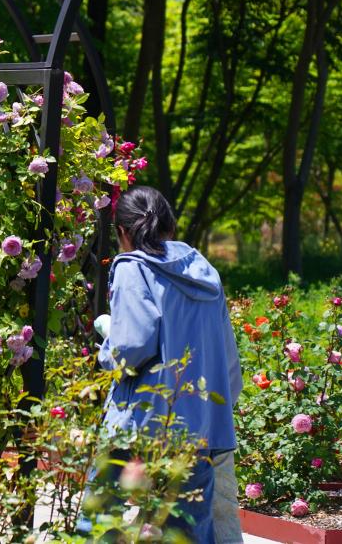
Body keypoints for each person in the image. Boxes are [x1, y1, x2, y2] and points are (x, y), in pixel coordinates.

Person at [93, 186, 242, 542]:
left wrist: (107, 346)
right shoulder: (205, 272)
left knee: (99, 522)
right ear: (170, 226)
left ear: (122, 231)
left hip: (141, 424)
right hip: (199, 429)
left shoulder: (132, 268)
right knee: (188, 532)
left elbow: (132, 345)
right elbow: (227, 358)